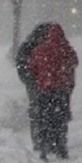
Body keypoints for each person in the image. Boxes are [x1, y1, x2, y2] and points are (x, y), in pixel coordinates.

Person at [25, 23, 78, 160]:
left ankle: (43, 148)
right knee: (60, 120)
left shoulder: (40, 50)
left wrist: (41, 77)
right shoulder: (66, 49)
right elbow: (75, 62)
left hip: (45, 91)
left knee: (44, 119)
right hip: (61, 91)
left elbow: (32, 68)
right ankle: (61, 148)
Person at [16, 23, 52, 151]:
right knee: (46, 111)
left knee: (37, 111)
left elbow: (21, 66)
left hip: (37, 84)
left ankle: (39, 140)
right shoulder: (48, 47)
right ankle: (46, 140)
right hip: (44, 85)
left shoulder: (28, 47)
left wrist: (29, 80)